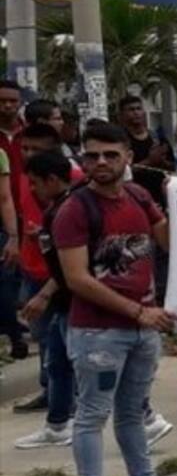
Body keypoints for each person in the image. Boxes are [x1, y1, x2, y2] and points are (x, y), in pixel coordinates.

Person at [52, 122, 177, 476]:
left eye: (110, 154)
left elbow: (171, 240)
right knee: (92, 416)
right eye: (92, 155)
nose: (101, 162)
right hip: (99, 333)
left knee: (132, 412)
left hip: (144, 327)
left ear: (128, 158)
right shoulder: (74, 210)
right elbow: (78, 279)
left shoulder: (138, 196)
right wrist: (138, 313)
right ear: (83, 158)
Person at [12, 124, 84, 415]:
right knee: (48, 342)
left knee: (70, 346)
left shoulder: (75, 189)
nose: (28, 154)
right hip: (36, 268)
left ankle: (74, 404)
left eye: (36, 149)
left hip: (62, 279)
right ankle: (53, 398)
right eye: (25, 148)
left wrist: (46, 292)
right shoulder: (29, 178)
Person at [0, 79, 26, 359]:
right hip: (5, 221)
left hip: (27, 217)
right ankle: (14, 334)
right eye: (2, 101)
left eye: (12, 101)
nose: (7, 105)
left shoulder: (28, 134)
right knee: (6, 279)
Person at [117, 95, 175, 172]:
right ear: (122, 114)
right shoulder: (118, 139)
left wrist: (162, 161)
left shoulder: (158, 138)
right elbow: (120, 171)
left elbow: (173, 167)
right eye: (131, 110)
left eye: (139, 109)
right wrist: (149, 161)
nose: (136, 112)